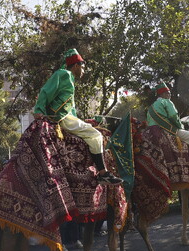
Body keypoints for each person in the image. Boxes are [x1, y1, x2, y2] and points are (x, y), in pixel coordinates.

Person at [33, 48, 123, 185]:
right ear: (76, 65)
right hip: (61, 118)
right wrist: (39, 109)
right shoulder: (64, 74)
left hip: (67, 117)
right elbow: (46, 91)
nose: (83, 71)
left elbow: (70, 108)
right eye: (83, 67)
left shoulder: (68, 78)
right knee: (96, 135)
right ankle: (103, 173)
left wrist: (81, 121)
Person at [146, 82, 189, 171]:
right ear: (164, 94)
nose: (170, 95)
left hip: (151, 131)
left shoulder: (151, 107)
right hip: (166, 130)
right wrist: (180, 126)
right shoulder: (166, 101)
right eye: (168, 93)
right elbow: (173, 116)